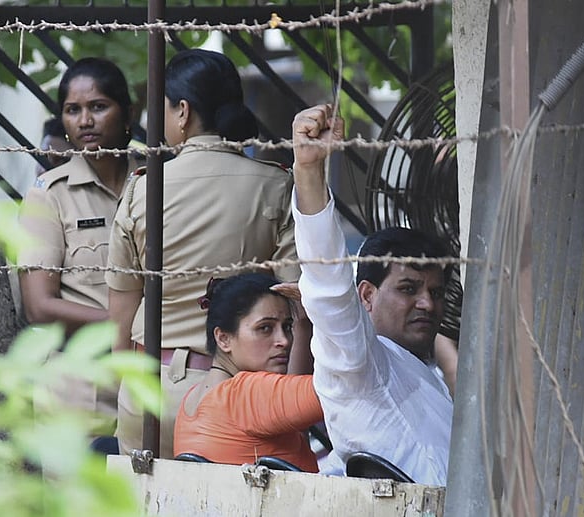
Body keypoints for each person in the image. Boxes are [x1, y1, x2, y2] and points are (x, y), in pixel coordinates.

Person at [106, 49, 304, 459]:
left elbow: (121, 312)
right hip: (237, 391)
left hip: (150, 385)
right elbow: (296, 300)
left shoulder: (144, 188)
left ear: (182, 111)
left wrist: (122, 388)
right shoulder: (274, 185)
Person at [290, 104, 454, 484]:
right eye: (408, 288)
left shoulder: (424, 373)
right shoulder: (359, 361)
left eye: (436, 291)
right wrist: (309, 172)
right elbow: (329, 291)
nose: (428, 304)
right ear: (366, 295)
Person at [18, 57, 141, 440]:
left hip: (153, 379)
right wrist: (129, 328)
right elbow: (39, 305)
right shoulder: (49, 196)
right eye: (73, 110)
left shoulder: (159, 183)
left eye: (98, 107)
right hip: (80, 384)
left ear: (126, 113)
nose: (85, 121)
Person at [173, 274, 322, 472]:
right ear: (223, 339)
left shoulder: (192, 397)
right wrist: (332, 310)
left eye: (287, 327)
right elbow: (344, 389)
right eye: (265, 328)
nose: (284, 340)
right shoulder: (245, 393)